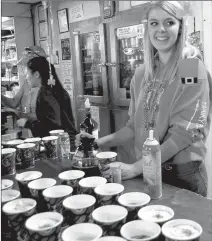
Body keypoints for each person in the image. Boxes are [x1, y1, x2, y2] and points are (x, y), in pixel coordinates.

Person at [76, 1, 211, 197]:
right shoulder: (142, 73)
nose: (161, 30)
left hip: (180, 173)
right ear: (146, 28)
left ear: (181, 27)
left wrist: (134, 168)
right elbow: (134, 127)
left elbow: (184, 134)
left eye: (169, 22)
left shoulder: (190, 67)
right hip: (147, 168)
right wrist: (97, 143)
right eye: (154, 23)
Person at [17, 56, 77, 138]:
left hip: (60, 143)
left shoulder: (46, 93)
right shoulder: (56, 90)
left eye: (27, 73)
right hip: (69, 140)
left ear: (36, 74)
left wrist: (27, 124)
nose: (26, 77)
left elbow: (53, 126)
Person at [1, 46, 48, 121]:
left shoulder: (48, 86)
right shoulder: (27, 82)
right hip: (29, 129)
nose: (26, 73)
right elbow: (14, 103)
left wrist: (19, 114)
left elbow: (42, 116)